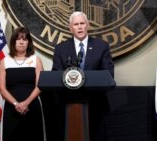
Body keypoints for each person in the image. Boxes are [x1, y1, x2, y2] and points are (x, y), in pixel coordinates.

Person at [49, 11, 114, 141]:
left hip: (96, 104)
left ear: (88, 25)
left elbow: (109, 74)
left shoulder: (102, 46)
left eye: (82, 23)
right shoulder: (61, 48)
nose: (79, 27)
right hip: (68, 104)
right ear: (70, 28)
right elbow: (56, 74)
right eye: (76, 24)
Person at [0, 27, 45, 141]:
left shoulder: (36, 60)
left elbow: (40, 85)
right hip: (11, 109)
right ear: (13, 42)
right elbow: (2, 88)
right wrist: (16, 104)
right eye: (18, 39)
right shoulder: (4, 61)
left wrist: (26, 103)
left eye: (24, 39)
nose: (21, 42)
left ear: (29, 42)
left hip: (32, 107)